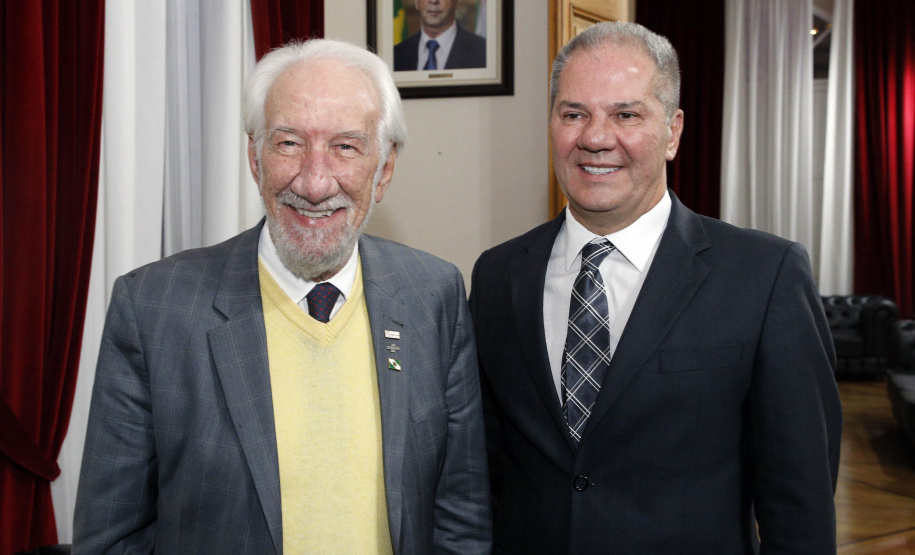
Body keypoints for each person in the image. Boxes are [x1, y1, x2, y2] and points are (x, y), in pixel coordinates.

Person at [73, 38, 492, 554]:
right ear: (255, 157)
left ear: (384, 169)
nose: (314, 183)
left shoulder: (434, 294)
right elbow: (111, 538)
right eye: (289, 143)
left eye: (345, 147)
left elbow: (460, 519)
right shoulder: (153, 309)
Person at [469, 21, 842, 554]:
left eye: (626, 115)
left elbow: (800, 507)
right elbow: (478, 475)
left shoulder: (765, 277)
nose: (596, 138)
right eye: (574, 114)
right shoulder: (497, 276)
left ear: (673, 131)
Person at [394, 0, 486, 71]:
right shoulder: (396, 55)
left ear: (458, 2)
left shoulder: (483, 52)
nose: (434, 1)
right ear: (416, 2)